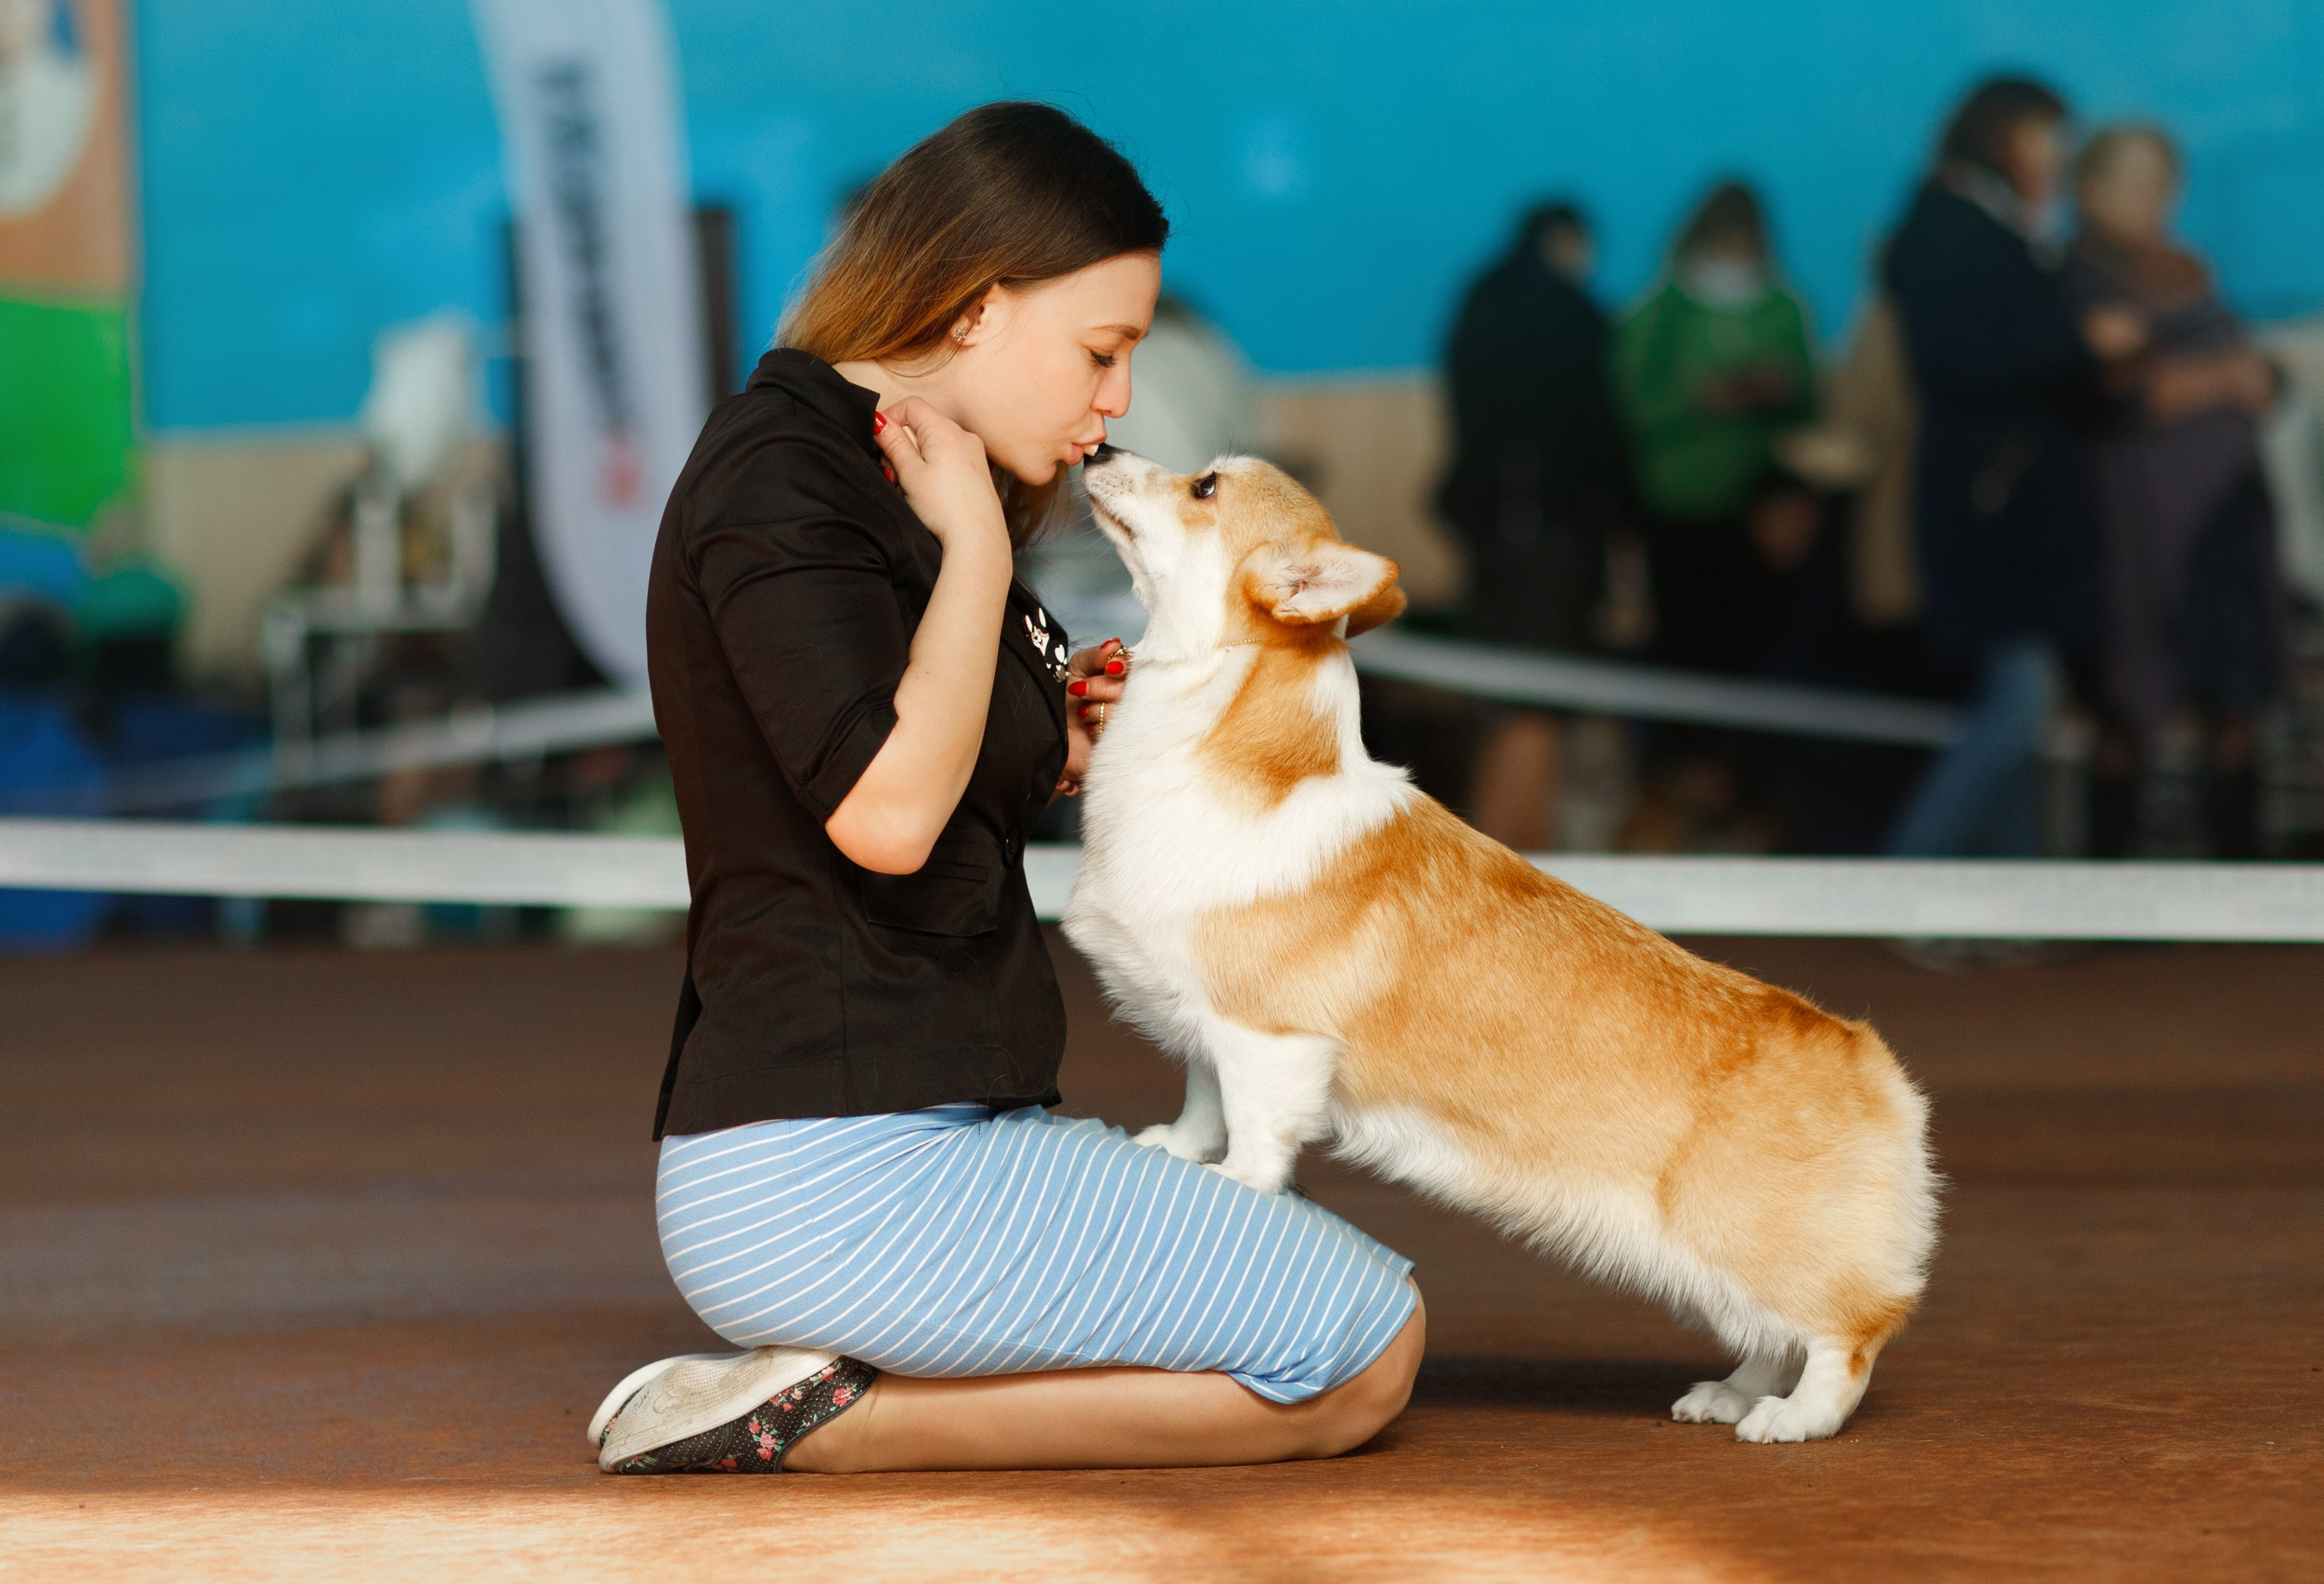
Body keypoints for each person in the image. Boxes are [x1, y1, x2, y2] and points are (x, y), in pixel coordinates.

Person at [597, 103, 1423, 1477]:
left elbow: (920, 749)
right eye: (1103, 354)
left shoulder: (892, 464)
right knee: (1361, 1348)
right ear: (979, 308)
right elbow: (885, 809)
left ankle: (831, 1387)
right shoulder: (787, 475)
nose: (1117, 403)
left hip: (912, 1125)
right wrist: (977, 553)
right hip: (828, 1165)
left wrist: (1056, 738)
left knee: (1343, 1328)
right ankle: (821, 1420)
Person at [1879, 77, 2148, 857]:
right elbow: (1958, 357)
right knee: (2023, 701)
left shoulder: (1999, 230)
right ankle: (1907, 876)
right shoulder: (1950, 228)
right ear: (1998, 134)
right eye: (2041, 138)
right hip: (1991, 509)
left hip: (2016, 507)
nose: (2053, 159)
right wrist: (2081, 345)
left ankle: (2009, 902)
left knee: (2025, 706)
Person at [2067, 124, 2284, 857]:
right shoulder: (2077, 278)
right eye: (2131, 181)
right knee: (2129, 696)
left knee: (2235, 698)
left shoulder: (2190, 270)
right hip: (2138, 522)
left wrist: (2257, 378)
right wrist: (2227, 378)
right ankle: (2107, 894)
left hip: (2227, 510)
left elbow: (2255, 373)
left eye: (2161, 181)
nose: (2151, 199)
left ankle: (2240, 895)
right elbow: (2124, 394)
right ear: (2089, 190)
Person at [1436, 200, 1633, 849]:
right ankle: (1516, 871)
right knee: (1538, 707)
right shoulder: (1570, 314)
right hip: (1553, 533)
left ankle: (1489, 864)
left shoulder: (1477, 302)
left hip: (1489, 533)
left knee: (1501, 704)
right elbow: (1600, 436)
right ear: (1568, 242)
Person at [1615, 179, 1818, 677]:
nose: (1733, 254)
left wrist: (1776, 391)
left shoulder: (1784, 308)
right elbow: (1630, 409)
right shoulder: (1659, 313)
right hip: (1675, 510)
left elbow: (1811, 405)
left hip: (1759, 514)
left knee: (1757, 648)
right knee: (1684, 650)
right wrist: (1704, 402)